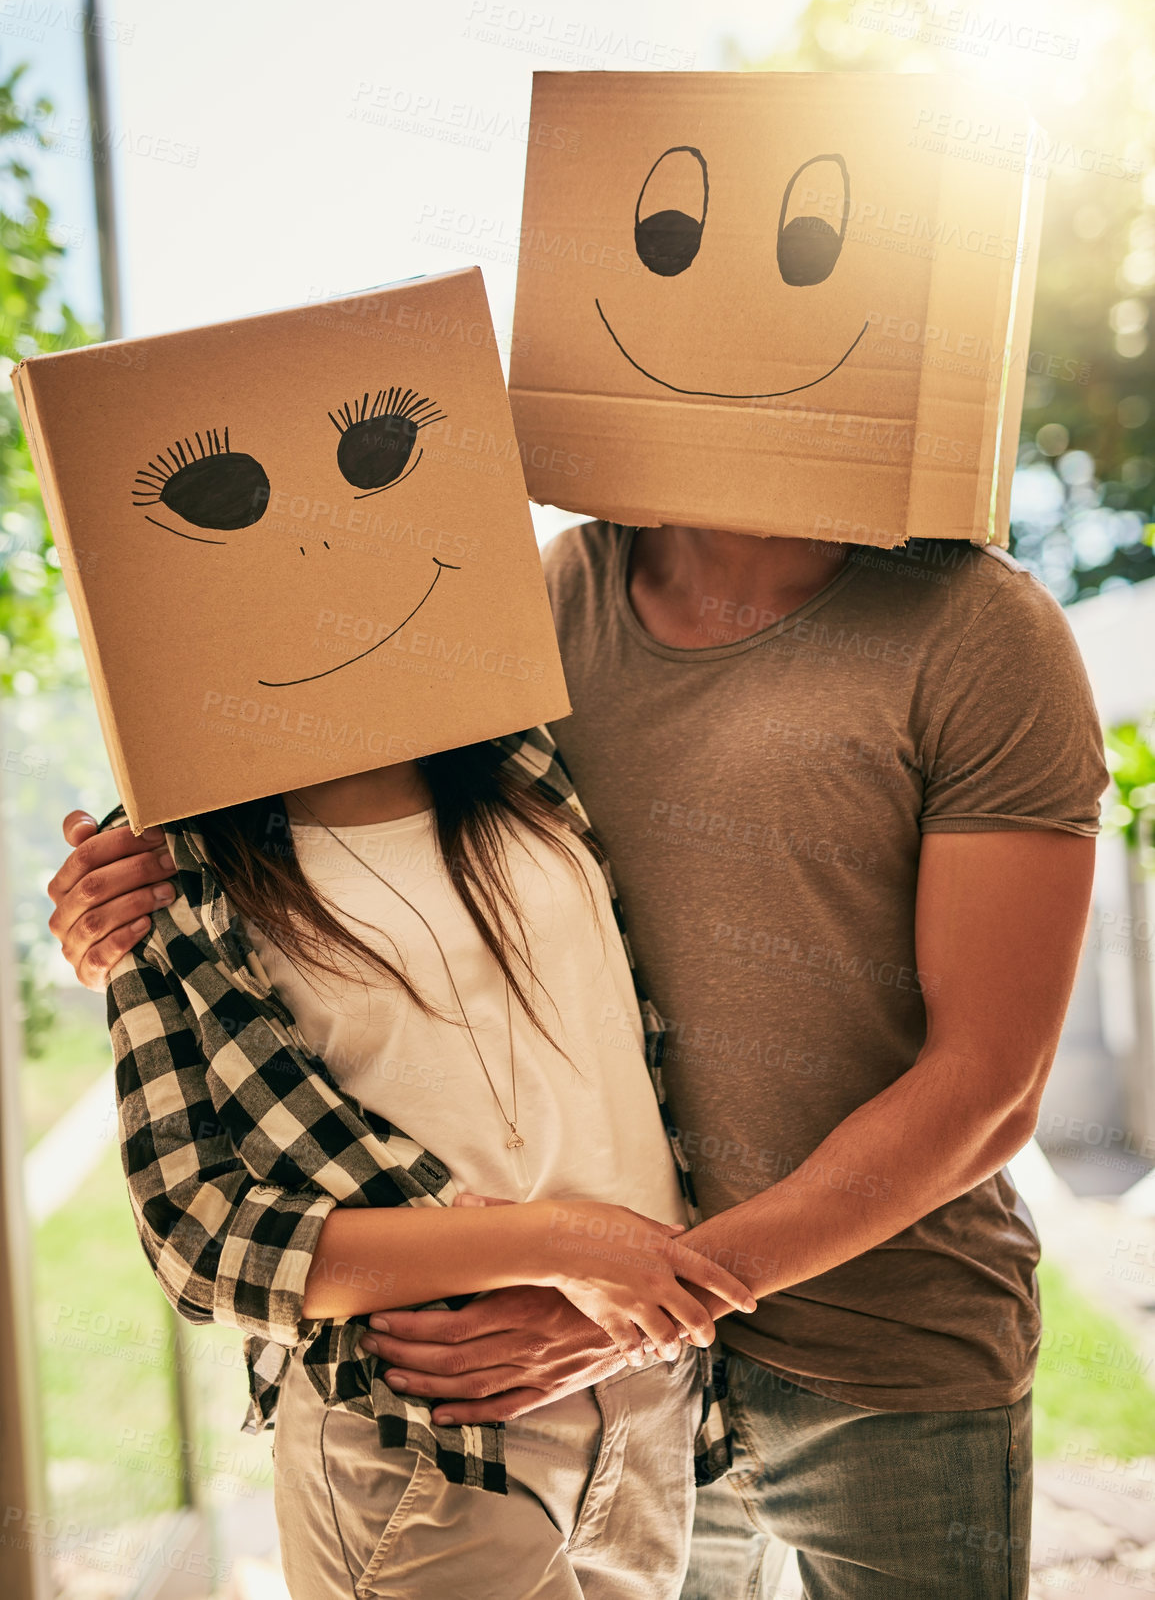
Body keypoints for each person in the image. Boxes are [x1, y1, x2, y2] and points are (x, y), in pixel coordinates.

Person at [50, 525, 1106, 1599]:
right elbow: (213, 1203)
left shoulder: (977, 629)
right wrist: (119, 910)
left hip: (860, 1352)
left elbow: (989, 1086)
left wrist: (616, 1304)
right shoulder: (544, 609)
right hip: (555, 1398)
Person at [73, 724, 755, 1600]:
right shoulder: (167, 857)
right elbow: (196, 1238)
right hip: (429, 1431)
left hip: (643, 1388)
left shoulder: (519, 749)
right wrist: (557, 1243)